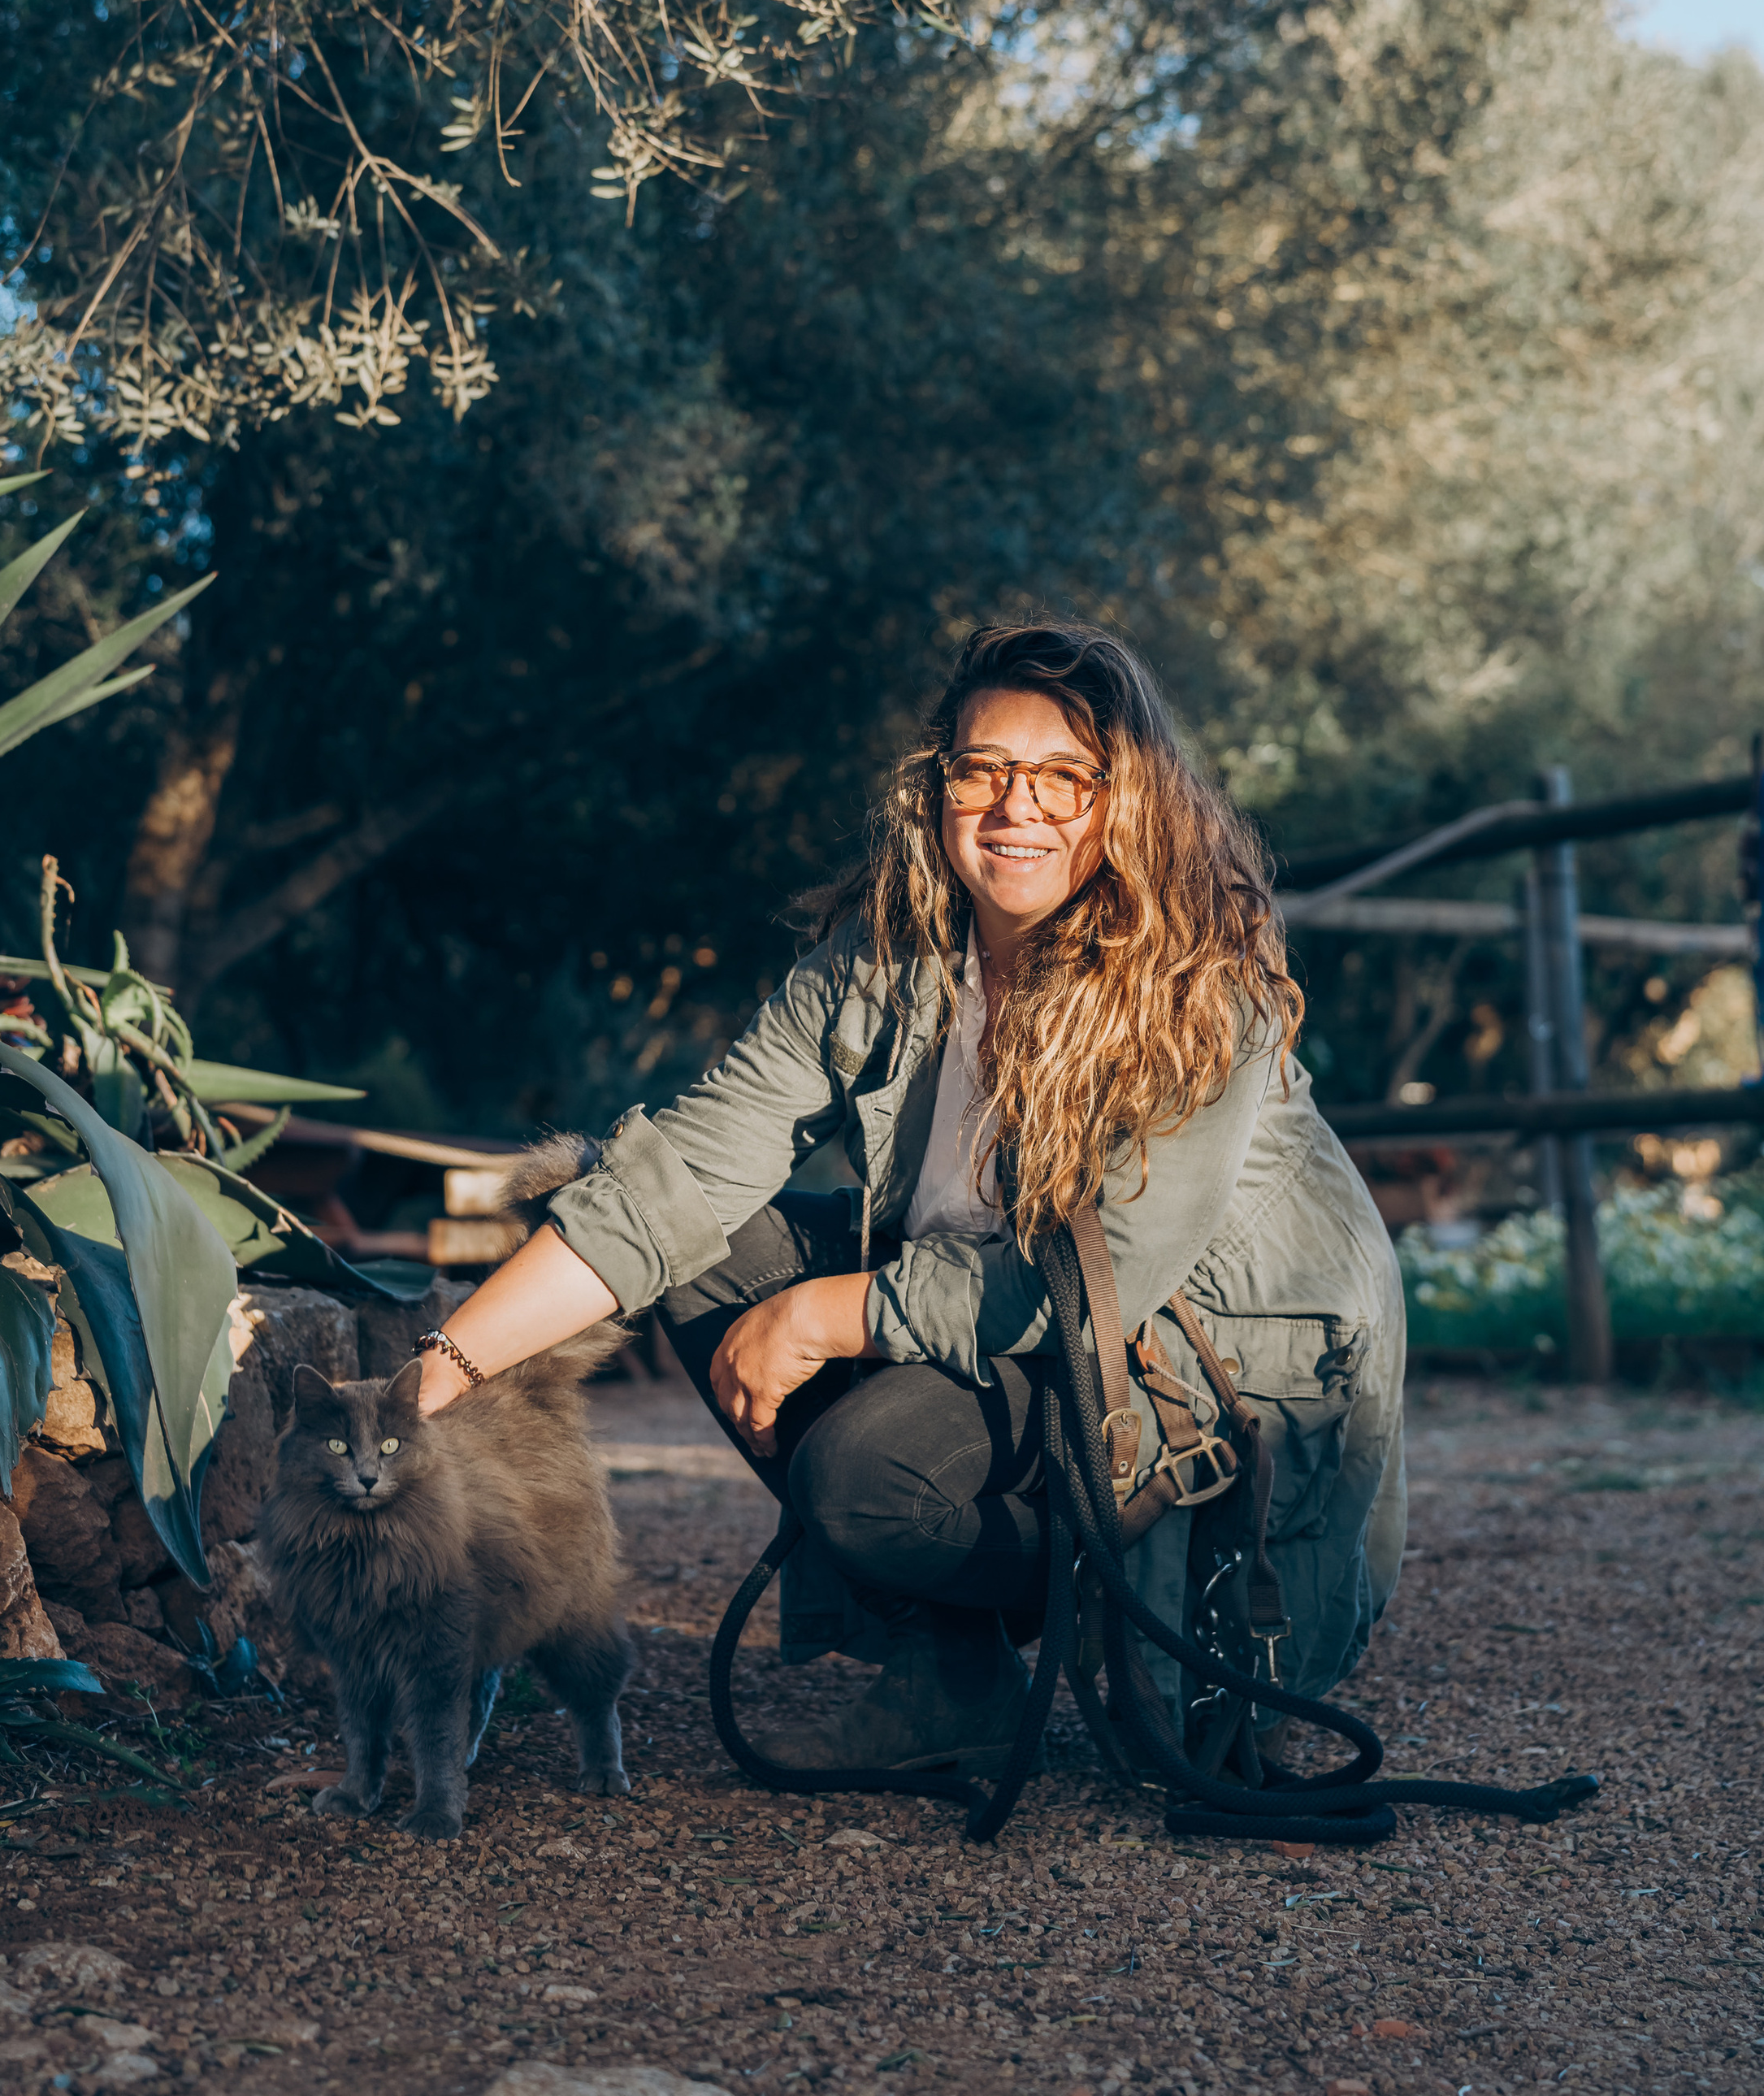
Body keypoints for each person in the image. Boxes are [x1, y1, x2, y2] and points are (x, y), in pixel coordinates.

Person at [412, 619, 1406, 1775]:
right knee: (699, 1241)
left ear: (1128, 799)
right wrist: (431, 1381)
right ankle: (952, 1682)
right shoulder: (888, 954)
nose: (1016, 807)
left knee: (867, 1474)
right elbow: (679, 1177)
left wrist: (820, 1314)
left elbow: (1105, 1280)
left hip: (1177, 1368)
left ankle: (1115, 1619)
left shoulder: (1197, 984)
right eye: (983, 769)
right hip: (1002, 1326)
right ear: (937, 788)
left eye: (1064, 776)